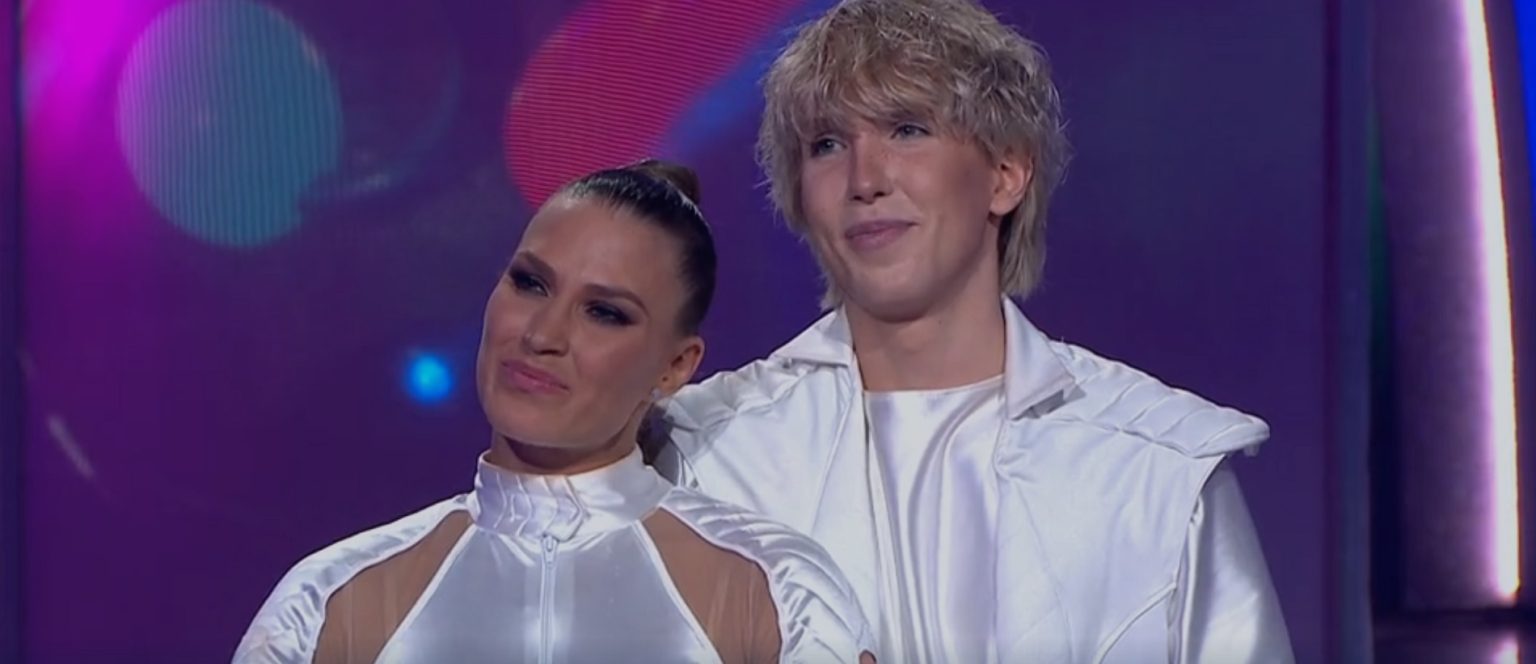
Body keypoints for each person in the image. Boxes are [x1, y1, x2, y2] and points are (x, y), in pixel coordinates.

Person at [654, 1, 1294, 661]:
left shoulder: (1158, 467)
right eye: (827, 145)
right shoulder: (705, 455)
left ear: (1006, 174)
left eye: (907, 129)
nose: (864, 180)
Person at [234, 160, 876, 663]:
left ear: (675, 367)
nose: (542, 334)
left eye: (605, 313)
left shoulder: (774, 590)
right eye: (530, 283)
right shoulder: (331, 599)